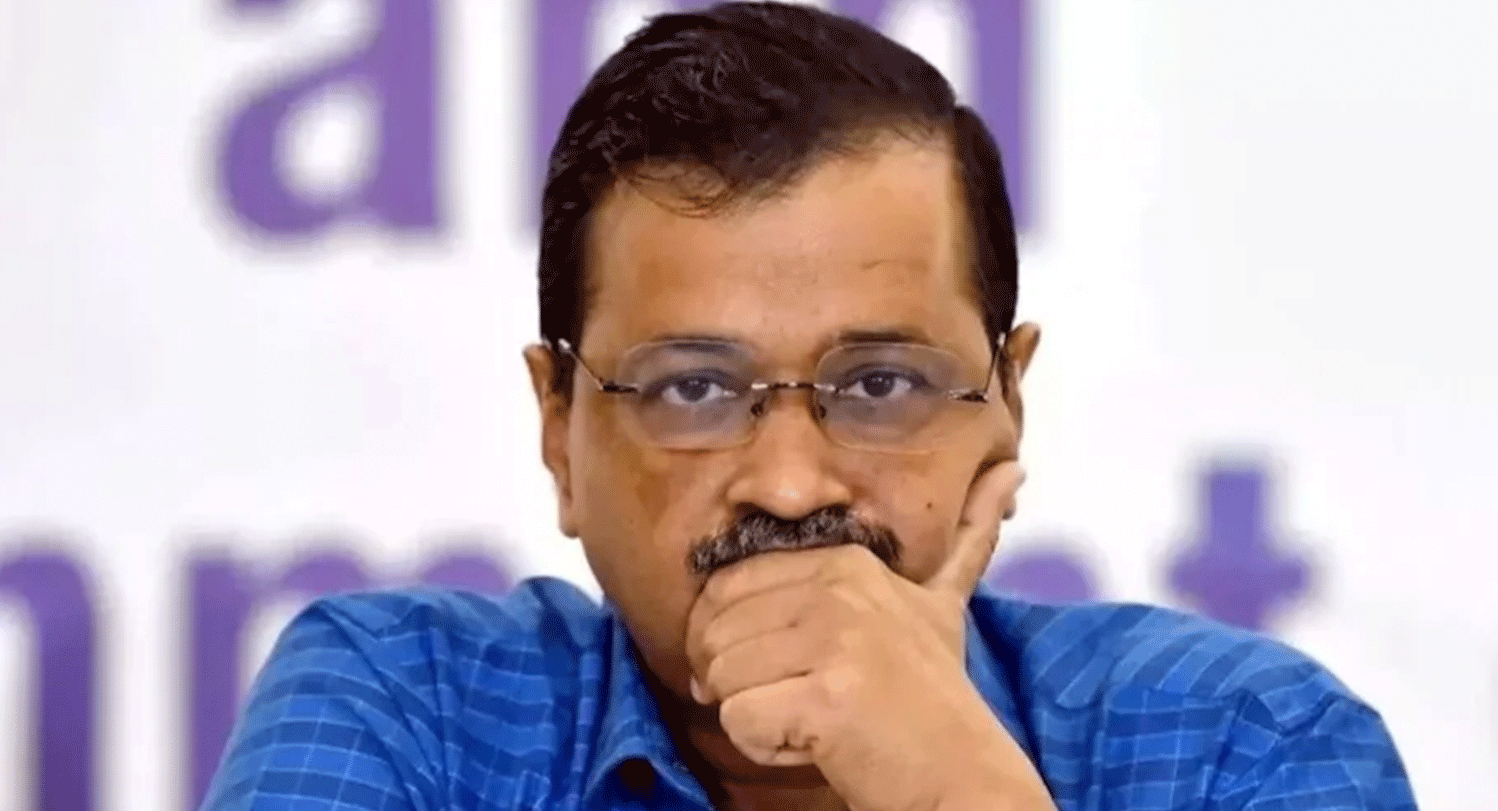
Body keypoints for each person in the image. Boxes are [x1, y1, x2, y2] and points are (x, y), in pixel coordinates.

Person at [199, 3, 1418, 809]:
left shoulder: (1242, 746)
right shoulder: (404, 707)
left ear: (1005, 402)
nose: (788, 485)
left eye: (879, 384)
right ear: (557, 430)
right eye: (692, 388)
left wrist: (954, 789)